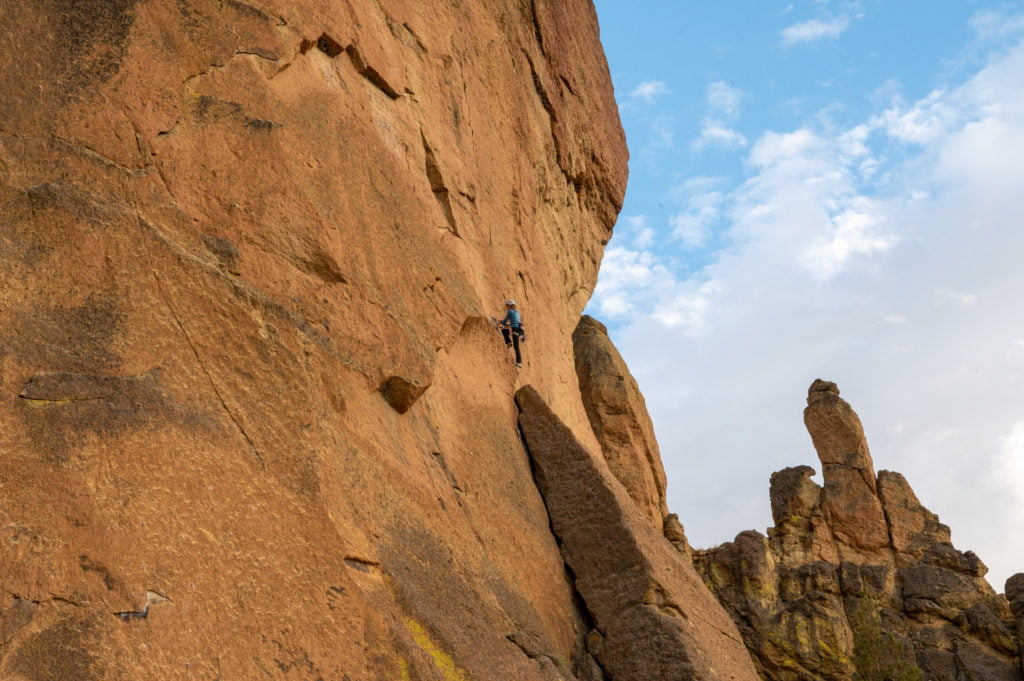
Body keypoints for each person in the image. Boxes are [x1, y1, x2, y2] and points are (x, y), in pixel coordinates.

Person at [498, 299, 525, 367]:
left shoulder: (510, 311)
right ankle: (509, 342)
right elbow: (514, 323)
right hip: (517, 329)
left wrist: (500, 322)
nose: (506, 307)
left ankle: (519, 362)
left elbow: (505, 321)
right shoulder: (516, 312)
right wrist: (506, 325)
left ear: (509, 306)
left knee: (516, 346)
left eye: (506, 305)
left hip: (515, 329)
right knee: (504, 331)